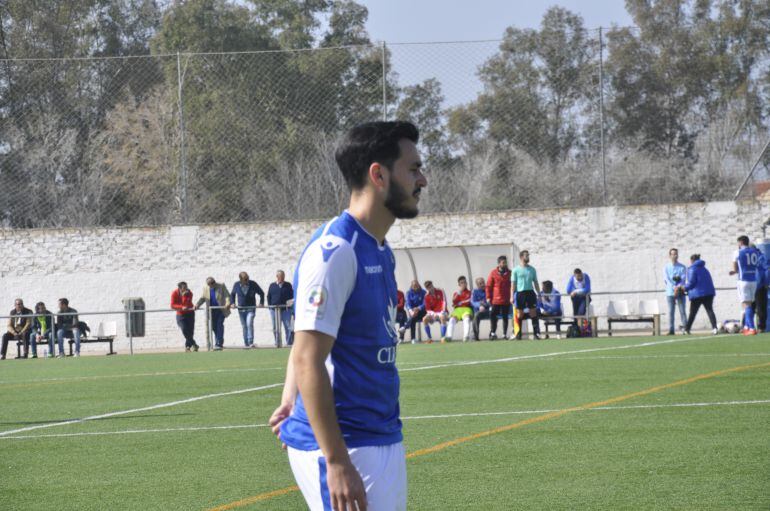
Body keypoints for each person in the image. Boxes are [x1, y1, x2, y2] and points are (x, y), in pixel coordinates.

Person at [269, 121, 426, 511]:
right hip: (346, 445)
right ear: (379, 174)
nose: (422, 179)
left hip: (379, 435)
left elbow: (309, 336)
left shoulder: (379, 248)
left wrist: (289, 397)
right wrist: (336, 460)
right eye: (413, 168)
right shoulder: (336, 251)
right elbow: (308, 355)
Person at [730, 235, 762, 335]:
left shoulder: (737, 252)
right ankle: (747, 326)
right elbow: (756, 265)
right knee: (749, 304)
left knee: (746, 304)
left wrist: (733, 271)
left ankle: (752, 328)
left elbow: (735, 268)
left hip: (743, 281)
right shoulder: (755, 252)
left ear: (741, 242)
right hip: (753, 280)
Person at [684, 254, 718, 335]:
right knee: (710, 310)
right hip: (708, 293)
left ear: (692, 260)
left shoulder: (692, 269)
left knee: (692, 313)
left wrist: (684, 288)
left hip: (697, 294)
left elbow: (691, 282)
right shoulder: (705, 269)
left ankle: (687, 329)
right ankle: (715, 328)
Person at [511, 250, 541, 340]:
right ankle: (518, 333)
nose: (528, 257)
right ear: (521, 257)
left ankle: (536, 334)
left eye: (528, 255)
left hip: (530, 292)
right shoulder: (515, 270)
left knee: (533, 313)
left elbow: (535, 282)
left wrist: (539, 293)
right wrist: (511, 296)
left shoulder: (532, 269)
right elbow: (513, 284)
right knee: (520, 314)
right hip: (520, 293)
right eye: (526, 256)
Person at [230, 272, 265, 347]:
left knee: (249, 323)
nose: (247, 280)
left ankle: (250, 342)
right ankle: (246, 343)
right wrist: (232, 303)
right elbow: (232, 294)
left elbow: (261, 293)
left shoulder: (253, 284)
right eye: (245, 279)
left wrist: (261, 303)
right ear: (241, 280)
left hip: (251, 308)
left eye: (247, 278)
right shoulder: (236, 284)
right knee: (244, 326)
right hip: (241, 309)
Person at [195, 277, 231, 350]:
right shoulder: (205, 288)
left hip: (220, 310)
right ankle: (219, 339)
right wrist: (197, 305)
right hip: (211, 311)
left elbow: (227, 295)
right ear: (208, 284)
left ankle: (219, 343)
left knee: (219, 325)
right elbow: (202, 298)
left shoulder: (221, 285)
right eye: (210, 284)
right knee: (214, 327)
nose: (212, 285)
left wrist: (227, 303)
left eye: (213, 283)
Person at [486, 255, 512, 340]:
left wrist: (512, 296)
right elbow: (489, 286)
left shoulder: (509, 273)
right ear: (499, 263)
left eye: (505, 262)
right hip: (496, 300)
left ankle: (504, 334)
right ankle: (493, 333)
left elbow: (513, 285)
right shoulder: (493, 273)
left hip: (506, 300)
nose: (505, 264)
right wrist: (488, 297)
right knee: (493, 316)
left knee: (505, 317)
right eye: (503, 262)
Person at [663, 248, 688, 335]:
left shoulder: (682, 267)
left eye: (676, 254)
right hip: (670, 293)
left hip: (680, 292)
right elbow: (666, 279)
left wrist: (678, 287)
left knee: (682, 311)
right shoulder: (666, 267)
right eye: (673, 254)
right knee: (671, 312)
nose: (674, 256)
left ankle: (686, 329)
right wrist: (673, 287)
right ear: (670, 256)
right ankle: (671, 330)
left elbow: (683, 278)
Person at [267, 270, 294, 347]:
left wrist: (290, 305)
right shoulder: (272, 285)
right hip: (274, 310)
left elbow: (292, 296)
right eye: (281, 276)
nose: (282, 278)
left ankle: (289, 343)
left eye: (283, 276)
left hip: (285, 310)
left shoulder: (288, 285)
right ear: (277, 277)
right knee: (275, 327)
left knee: (288, 327)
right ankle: (277, 343)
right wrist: (270, 307)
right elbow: (269, 296)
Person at [171, 281, 199, 352]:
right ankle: (194, 344)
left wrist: (184, 296)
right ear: (179, 288)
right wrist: (181, 307)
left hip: (190, 313)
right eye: (184, 288)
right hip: (180, 315)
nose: (186, 289)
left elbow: (186, 304)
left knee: (190, 331)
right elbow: (172, 305)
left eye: (186, 287)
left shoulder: (189, 293)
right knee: (184, 329)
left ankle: (188, 347)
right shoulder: (174, 293)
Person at [447, 276, 473, 342]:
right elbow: (453, 301)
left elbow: (469, 301)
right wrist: (459, 292)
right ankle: (449, 337)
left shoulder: (470, 292)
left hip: (467, 309)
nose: (463, 284)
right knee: (452, 320)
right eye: (462, 283)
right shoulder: (456, 293)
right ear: (459, 284)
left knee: (466, 319)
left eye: (465, 282)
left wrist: (460, 303)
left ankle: (466, 336)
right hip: (458, 310)